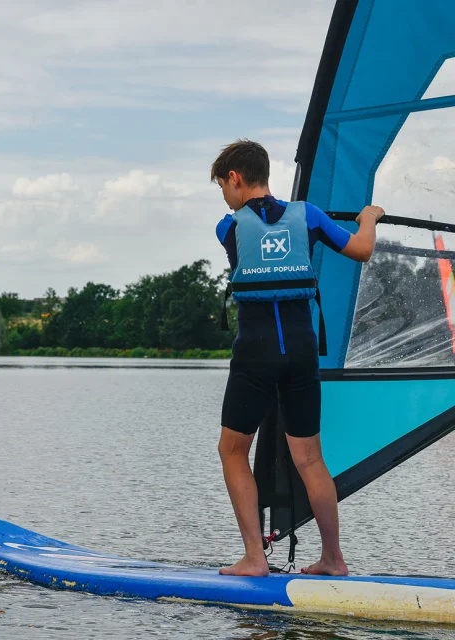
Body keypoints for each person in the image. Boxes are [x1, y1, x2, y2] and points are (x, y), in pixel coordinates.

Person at [212, 140, 384, 577]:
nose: (224, 197)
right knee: (310, 458)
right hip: (302, 353)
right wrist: (369, 218)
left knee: (232, 450)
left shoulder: (227, 228)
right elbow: (362, 250)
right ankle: (333, 558)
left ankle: (255, 558)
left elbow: (253, 230)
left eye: (222, 186)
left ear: (235, 178)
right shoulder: (308, 216)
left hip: (255, 354)